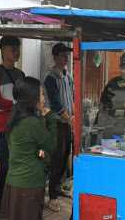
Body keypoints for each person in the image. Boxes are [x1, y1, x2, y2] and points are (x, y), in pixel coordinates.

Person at [1, 77, 58, 220]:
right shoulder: (32, 123)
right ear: (32, 99)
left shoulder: (15, 118)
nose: (44, 98)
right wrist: (50, 118)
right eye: (41, 94)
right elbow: (51, 145)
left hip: (13, 183)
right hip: (29, 185)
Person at [0, 36, 25, 215]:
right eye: (13, 49)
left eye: (18, 48)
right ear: (2, 50)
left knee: (15, 166)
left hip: (19, 126)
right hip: (3, 127)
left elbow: (25, 98)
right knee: (2, 167)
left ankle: (10, 205)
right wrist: (16, 105)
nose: (16, 52)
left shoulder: (20, 75)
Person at [43, 43, 74, 212]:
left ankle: (59, 186)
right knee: (56, 158)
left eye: (67, 55)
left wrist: (73, 117)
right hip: (56, 123)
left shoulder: (67, 76)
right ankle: (52, 196)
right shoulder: (51, 77)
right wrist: (70, 120)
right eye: (63, 55)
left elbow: (72, 98)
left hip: (67, 123)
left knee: (64, 157)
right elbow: (55, 103)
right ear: (55, 57)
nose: (66, 58)